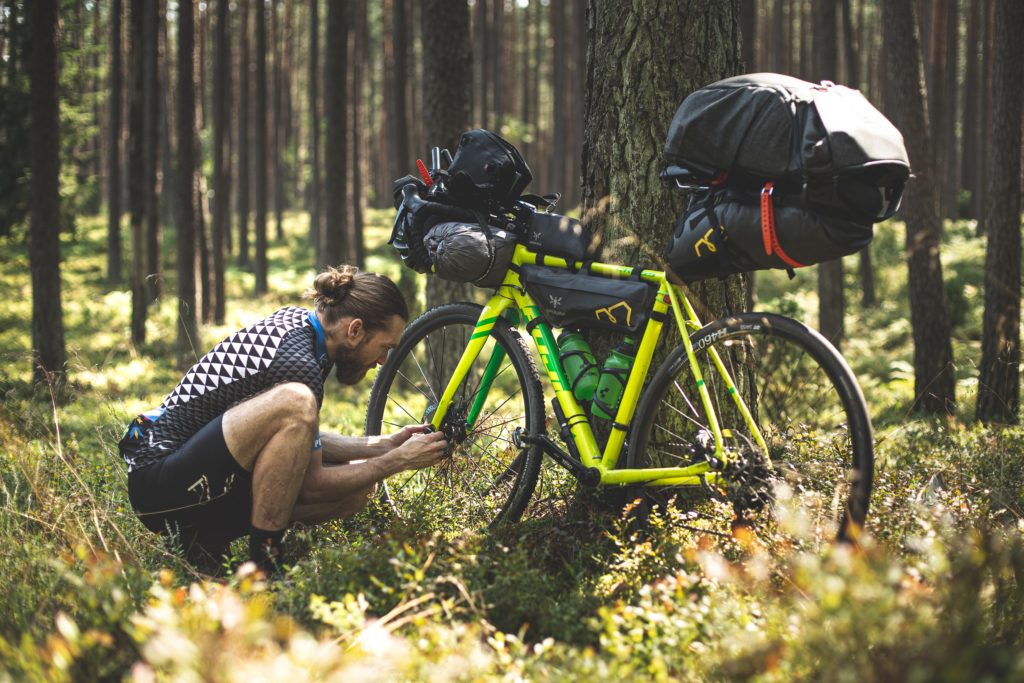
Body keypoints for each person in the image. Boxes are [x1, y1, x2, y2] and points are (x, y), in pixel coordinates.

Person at [118, 265, 448, 574]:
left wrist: (382, 445)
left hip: (189, 477)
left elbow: (295, 440)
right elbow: (313, 485)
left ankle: (203, 542)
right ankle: (265, 569)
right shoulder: (299, 369)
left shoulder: (304, 331)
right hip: (159, 485)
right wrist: (396, 461)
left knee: (357, 491)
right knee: (298, 403)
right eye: (384, 347)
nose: (382, 360)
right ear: (356, 330)